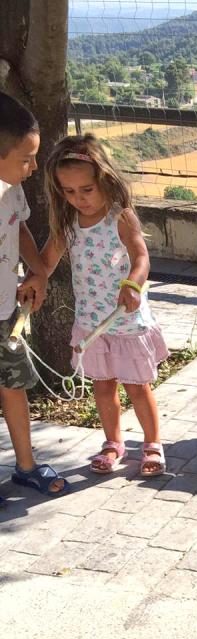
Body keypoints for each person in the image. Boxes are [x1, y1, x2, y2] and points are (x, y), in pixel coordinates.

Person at [40, 133, 168, 477]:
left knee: (137, 387)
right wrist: (34, 279)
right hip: (92, 321)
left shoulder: (120, 218)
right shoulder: (67, 224)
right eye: (68, 191)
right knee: (103, 386)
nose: (78, 199)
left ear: (104, 180)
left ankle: (152, 442)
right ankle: (113, 442)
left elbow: (141, 257)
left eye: (86, 190)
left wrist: (132, 285)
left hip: (125, 320)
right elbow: (48, 260)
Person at [0, 91, 69, 501]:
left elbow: (20, 228)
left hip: (7, 312)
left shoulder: (11, 187)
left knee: (14, 386)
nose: (33, 167)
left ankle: (26, 468)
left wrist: (38, 271)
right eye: (26, 158)